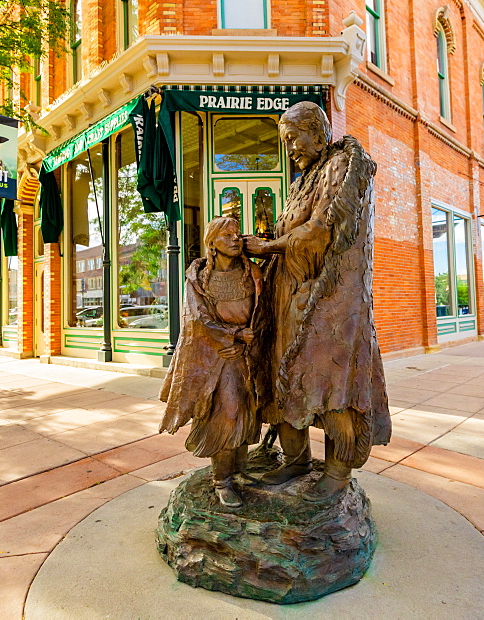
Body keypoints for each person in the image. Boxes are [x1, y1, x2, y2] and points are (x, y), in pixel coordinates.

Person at [245, 101, 391, 503]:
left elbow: (320, 231)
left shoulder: (341, 168)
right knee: (287, 380)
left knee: (331, 385)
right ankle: (296, 460)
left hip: (329, 304)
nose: (289, 149)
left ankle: (337, 473)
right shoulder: (302, 180)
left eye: (293, 139)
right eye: (285, 142)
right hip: (291, 299)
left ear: (316, 129)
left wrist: (269, 246)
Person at [159, 216, 262, 508]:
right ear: (212, 242)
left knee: (247, 412)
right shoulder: (198, 277)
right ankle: (223, 481)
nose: (235, 239)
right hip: (217, 355)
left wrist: (250, 339)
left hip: (248, 354)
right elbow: (198, 318)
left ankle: (239, 471)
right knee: (226, 414)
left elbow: (264, 309)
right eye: (226, 235)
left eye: (237, 234)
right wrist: (233, 335)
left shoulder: (252, 273)